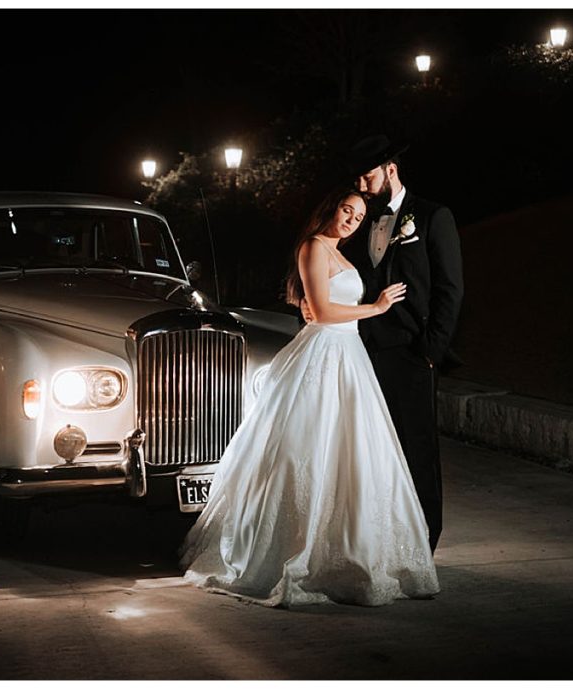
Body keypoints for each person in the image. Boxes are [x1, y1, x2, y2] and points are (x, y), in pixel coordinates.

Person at [179, 188, 440, 608]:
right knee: (309, 447)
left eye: (358, 215)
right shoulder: (313, 247)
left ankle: (359, 549)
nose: (352, 219)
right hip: (323, 351)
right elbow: (320, 310)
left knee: (357, 450)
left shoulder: (341, 253)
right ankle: (297, 548)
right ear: (330, 207)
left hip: (351, 356)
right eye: (346, 210)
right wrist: (375, 308)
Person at [303, 135, 464, 553]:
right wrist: (302, 299)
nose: (361, 182)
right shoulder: (360, 222)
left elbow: (450, 289)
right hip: (361, 351)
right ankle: (381, 537)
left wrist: (430, 350)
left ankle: (424, 542)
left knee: (417, 448)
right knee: (371, 450)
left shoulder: (431, 217)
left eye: (368, 173)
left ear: (390, 170)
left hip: (411, 352)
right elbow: (327, 266)